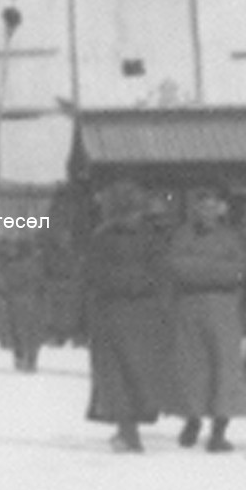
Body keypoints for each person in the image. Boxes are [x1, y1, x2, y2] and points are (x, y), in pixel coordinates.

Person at [162, 184, 246, 452]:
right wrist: (214, 270)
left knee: (224, 368)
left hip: (224, 311)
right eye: (202, 207)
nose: (207, 212)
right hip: (189, 310)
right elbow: (177, 267)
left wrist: (200, 269)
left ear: (221, 209)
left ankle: (219, 430)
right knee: (192, 367)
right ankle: (192, 419)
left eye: (213, 206)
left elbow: (238, 271)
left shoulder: (231, 238)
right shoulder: (182, 236)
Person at [84, 182, 171, 453]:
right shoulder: (102, 238)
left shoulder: (152, 238)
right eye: (126, 210)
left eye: (135, 210)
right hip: (112, 311)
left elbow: (160, 272)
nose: (131, 216)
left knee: (138, 373)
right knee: (116, 374)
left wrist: (138, 285)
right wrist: (129, 283)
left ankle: (131, 427)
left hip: (142, 314)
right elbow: (94, 272)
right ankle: (127, 429)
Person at [2, 236, 49, 372]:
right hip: (33, 301)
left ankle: (19, 357)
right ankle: (32, 360)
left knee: (17, 331)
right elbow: (42, 284)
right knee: (33, 332)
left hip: (16, 301)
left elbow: (7, 284)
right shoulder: (37, 266)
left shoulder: (12, 266)